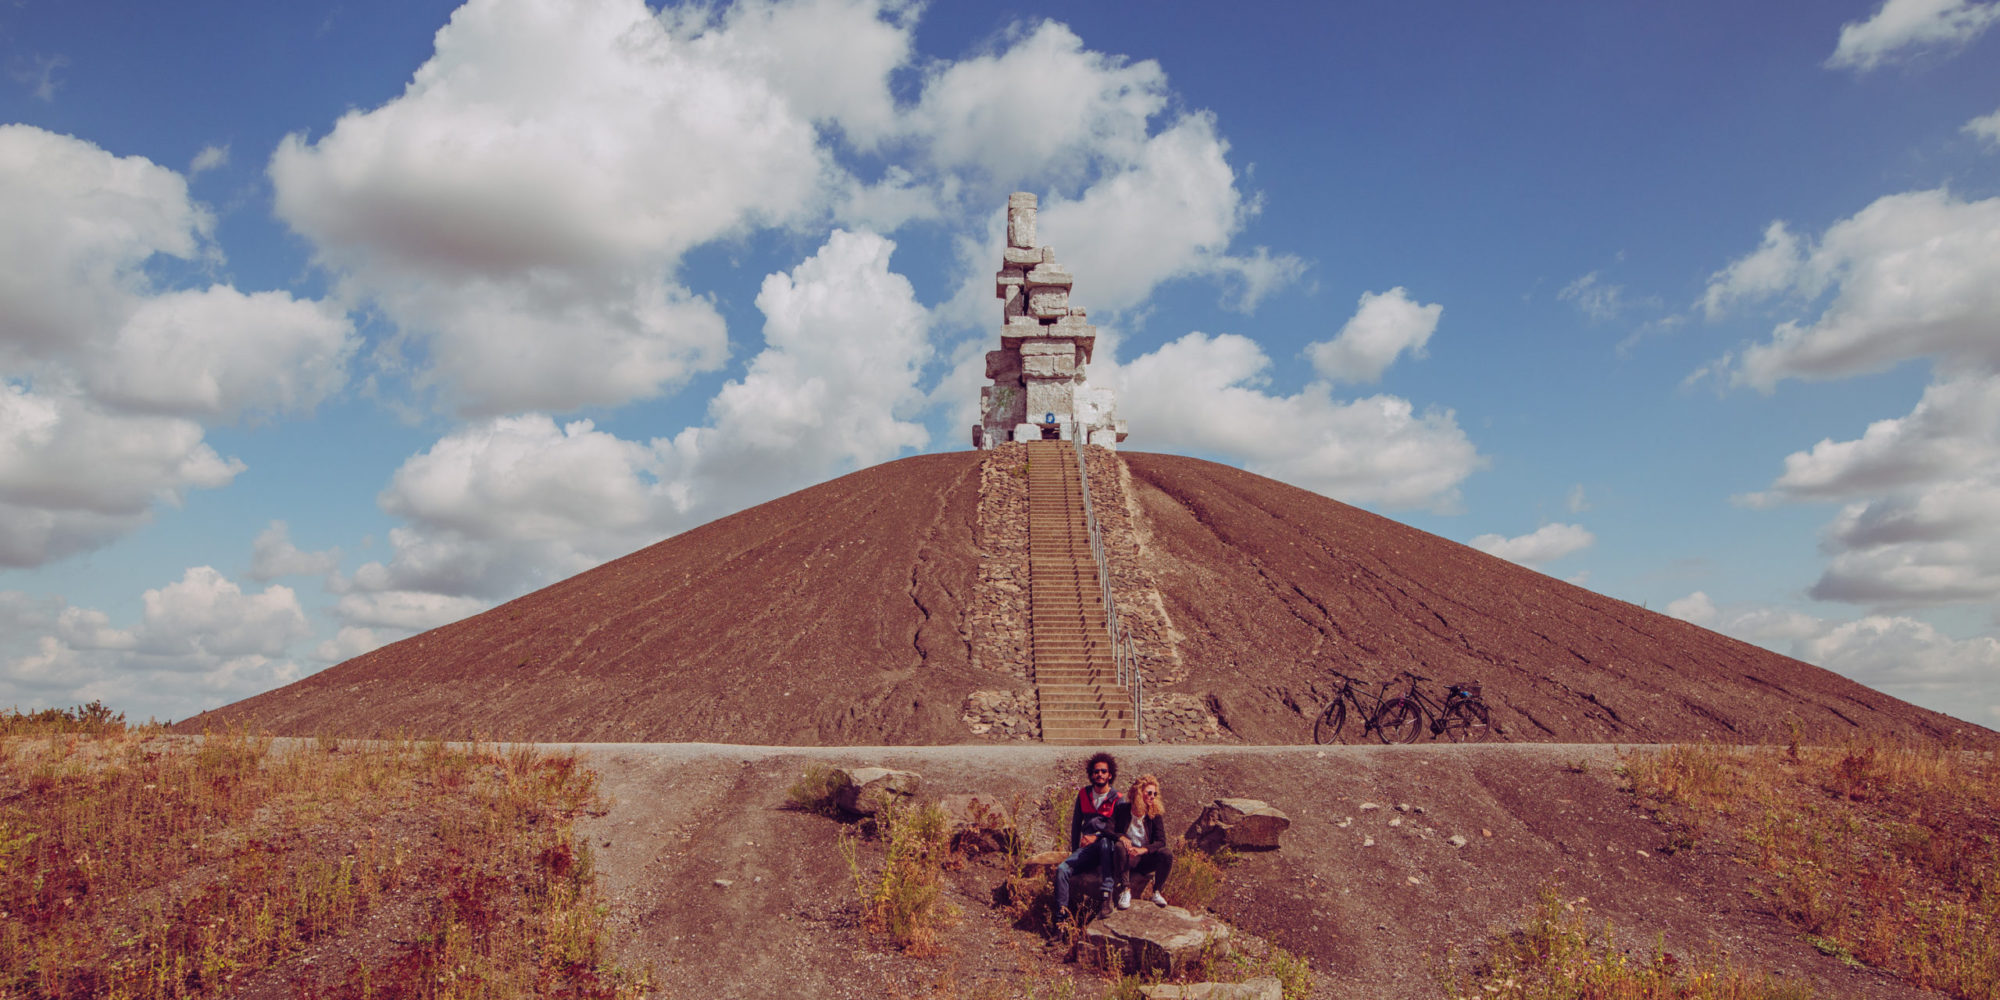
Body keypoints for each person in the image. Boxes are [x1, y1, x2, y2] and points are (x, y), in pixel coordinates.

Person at [1053, 751, 1122, 920]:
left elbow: (1119, 831)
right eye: (1096, 771)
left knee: (1106, 842)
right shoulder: (1083, 794)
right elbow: (1076, 824)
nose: (1099, 774)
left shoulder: (1118, 799)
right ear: (1091, 774)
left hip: (1107, 847)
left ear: (1110, 774)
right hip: (1088, 849)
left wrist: (1097, 836)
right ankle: (1060, 921)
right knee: (1062, 869)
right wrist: (1075, 851)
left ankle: (1107, 896)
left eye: (1103, 771)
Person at [1113, 773, 1173, 908]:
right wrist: (1121, 837)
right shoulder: (1122, 809)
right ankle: (1125, 890)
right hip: (1125, 859)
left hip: (1144, 859)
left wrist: (1142, 850)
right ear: (1139, 792)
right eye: (1149, 793)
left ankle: (1156, 892)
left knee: (1166, 854)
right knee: (1118, 846)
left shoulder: (1154, 814)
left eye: (1155, 794)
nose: (1152, 796)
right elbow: (1108, 829)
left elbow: (1161, 841)